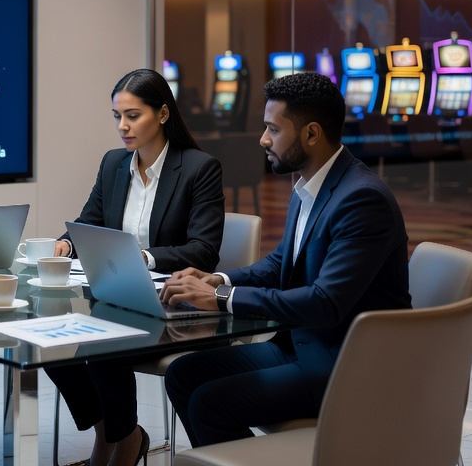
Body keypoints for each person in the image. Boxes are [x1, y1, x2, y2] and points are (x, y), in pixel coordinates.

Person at [161, 71, 411, 446]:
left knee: (209, 404)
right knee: (182, 374)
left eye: (273, 130)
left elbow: (326, 302)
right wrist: (222, 281)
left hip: (348, 365)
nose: (263, 139)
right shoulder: (310, 184)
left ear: (311, 134)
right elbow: (281, 263)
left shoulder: (362, 199)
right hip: (303, 346)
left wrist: (221, 301)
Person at [46, 68, 226, 466]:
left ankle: (122, 442)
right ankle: (117, 433)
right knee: (51, 342)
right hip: (119, 297)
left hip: (172, 303)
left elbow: (203, 250)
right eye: (117, 116)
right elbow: (88, 222)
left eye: (132, 115)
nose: (122, 127)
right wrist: (65, 242)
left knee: (99, 341)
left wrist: (143, 258)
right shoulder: (114, 164)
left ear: (162, 114)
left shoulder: (198, 168)